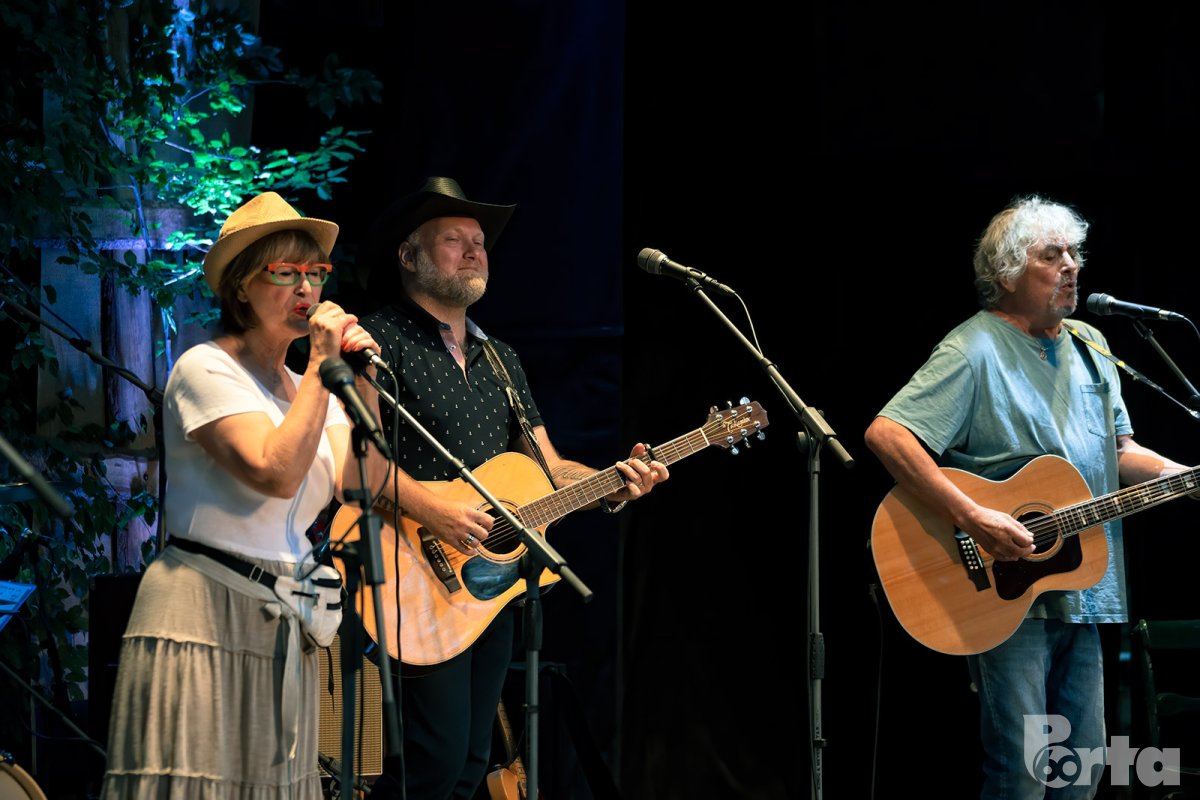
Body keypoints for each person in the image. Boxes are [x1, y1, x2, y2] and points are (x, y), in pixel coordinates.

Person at [863, 195, 1196, 799]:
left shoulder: (1092, 343)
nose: (1071, 265)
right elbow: (888, 434)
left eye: (1074, 253)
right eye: (1051, 255)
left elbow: (1119, 451)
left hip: (1084, 586)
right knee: (1022, 773)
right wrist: (973, 516)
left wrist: (1183, 474)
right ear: (1008, 272)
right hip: (1002, 589)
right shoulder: (972, 348)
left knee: (1083, 770)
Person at [353, 175, 669, 799]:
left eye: (480, 241)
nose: (475, 250)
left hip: (489, 586)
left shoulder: (501, 359)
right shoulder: (376, 341)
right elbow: (356, 461)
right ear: (409, 255)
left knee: (471, 764)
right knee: (432, 762)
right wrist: (436, 511)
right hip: (413, 573)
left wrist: (611, 483)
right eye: (455, 240)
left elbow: (548, 468)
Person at [100, 192, 391, 799]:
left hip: (284, 614)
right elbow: (275, 472)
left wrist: (360, 382)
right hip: (203, 609)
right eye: (285, 273)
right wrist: (322, 367)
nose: (306, 288)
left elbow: (364, 483)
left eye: (315, 273)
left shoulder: (312, 386)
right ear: (241, 287)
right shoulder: (205, 368)